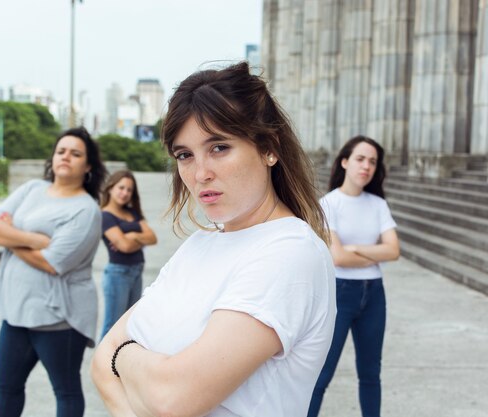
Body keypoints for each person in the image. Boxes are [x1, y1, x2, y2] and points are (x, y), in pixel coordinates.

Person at [91, 61, 337, 417]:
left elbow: (172, 398)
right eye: (185, 155)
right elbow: (100, 366)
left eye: (219, 147)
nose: (200, 173)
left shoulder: (290, 253)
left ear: (269, 148)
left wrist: (122, 354)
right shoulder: (199, 245)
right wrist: (130, 363)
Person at [0, 126, 106, 417]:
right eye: (61, 151)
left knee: (65, 390)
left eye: (75, 153)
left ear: (87, 166)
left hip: (59, 319)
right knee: (6, 383)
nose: (66, 157)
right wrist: (33, 240)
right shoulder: (32, 189)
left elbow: (52, 263)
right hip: (16, 312)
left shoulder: (85, 210)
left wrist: (10, 236)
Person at [307, 136, 400, 417]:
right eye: (360, 159)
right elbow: (338, 257)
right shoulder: (328, 204)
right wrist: (375, 251)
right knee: (322, 375)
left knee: (371, 373)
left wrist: (357, 247)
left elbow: (394, 251)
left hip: (374, 294)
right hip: (339, 292)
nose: (366, 166)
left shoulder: (377, 204)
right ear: (345, 161)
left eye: (372, 161)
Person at [100, 169, 157, 338]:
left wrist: (132, 235)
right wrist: (139, 239)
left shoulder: (133, 213)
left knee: (129, 323)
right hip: (118, 274)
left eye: (129, 190)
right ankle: (101, 364)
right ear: (110, 188)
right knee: (113, 325)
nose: (125, 193)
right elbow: (124, 246)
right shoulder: (105, 216)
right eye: (121, 187)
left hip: (136, 271)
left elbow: (153, 238)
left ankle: (118, 362)